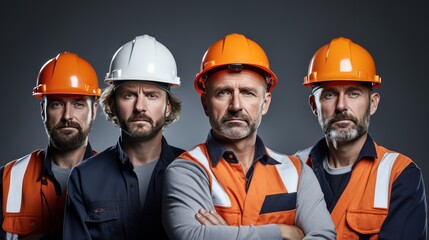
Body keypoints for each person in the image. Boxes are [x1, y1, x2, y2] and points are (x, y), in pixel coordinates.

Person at [162, 33, 336, 240]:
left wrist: (223, 234)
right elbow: (192, 236)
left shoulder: (297, 173)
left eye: (248, 93)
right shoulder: (187, 171)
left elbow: (324, 237)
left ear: (266, 103)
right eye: (223, 93)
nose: (236, 106)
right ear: (205, 104)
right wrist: (282, 232)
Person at [295, 37, 427, 239]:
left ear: (372, 103)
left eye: (353, 93)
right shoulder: (290, 170)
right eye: (329, 94)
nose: (341, 106)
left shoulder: (399, 174)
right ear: (314, 105)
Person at [63, 34, 184, 239]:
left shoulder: (193, 171)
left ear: (167, 107)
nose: (140, 107)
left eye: (151, 95)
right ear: (112, 105)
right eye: (129, 95)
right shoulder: (84, 178)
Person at [0, 52, 100, 240]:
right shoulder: (8, 180)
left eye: (78, 104)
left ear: (94, 109)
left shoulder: (114, 178)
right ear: (43, 111)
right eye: (56, 104)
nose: (68, 115)